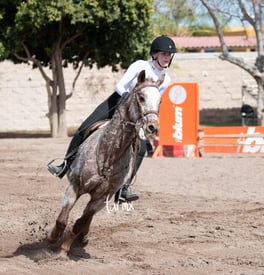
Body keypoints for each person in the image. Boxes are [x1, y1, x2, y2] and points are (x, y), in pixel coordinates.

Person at [47, 35, 176, 203]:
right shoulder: (140, 65)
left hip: (137, 113)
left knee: (142, 149)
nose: (167, 57)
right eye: (164, 53)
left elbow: (153, 102)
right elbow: (120, 86)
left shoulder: (167, 79)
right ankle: (65, 164)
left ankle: (123, 189)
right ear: (155, 54)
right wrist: (128, 99)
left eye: (169, 54)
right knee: (84, 128)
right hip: (117, 101)